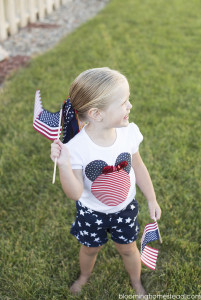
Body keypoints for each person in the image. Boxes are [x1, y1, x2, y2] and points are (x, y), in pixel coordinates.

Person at [50, 67, 161, 297]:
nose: (129, 106)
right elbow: (75, 192)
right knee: (90, 249)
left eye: (128, 100)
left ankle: (136, 282)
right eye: (123, 103)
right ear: (96, 114)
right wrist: (63, 164)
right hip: (92, 212)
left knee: (128, 248)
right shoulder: (77, 148)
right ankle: (84, 276)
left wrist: (151, 198)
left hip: (125, 209)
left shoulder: (128, 133)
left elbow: (138, 166)